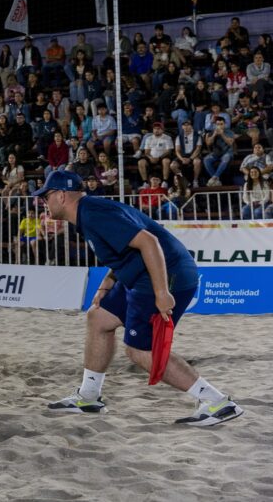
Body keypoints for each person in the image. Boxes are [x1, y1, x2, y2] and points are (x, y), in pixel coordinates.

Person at [36, 171, 242, 426]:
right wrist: (106, 284)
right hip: (145, 272)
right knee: (99, 318)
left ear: (61, 195)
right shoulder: (88, 213)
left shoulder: (94, 213)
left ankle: (217, 402)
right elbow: (125, 250)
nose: (44, 203)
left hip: (167, 274)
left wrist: (162, 292)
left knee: (140, 351)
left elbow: (149, 242)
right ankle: (89, 397)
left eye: (46, 197)